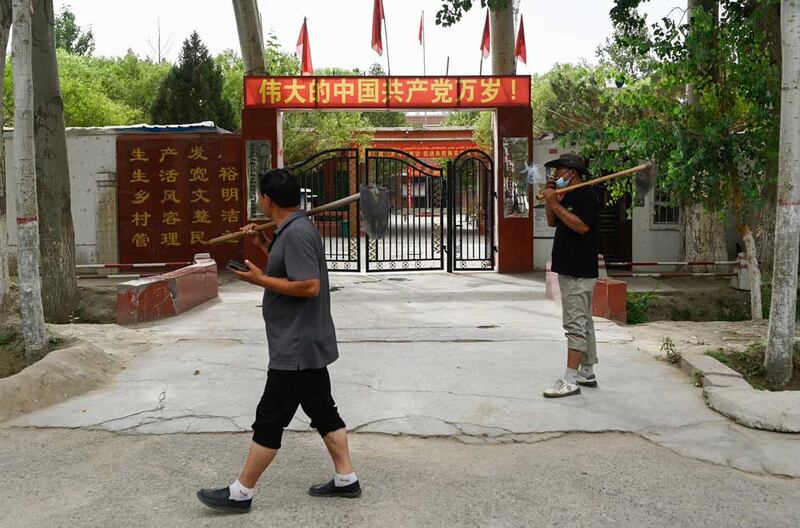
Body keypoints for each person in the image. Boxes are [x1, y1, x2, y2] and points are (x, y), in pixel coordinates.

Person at [196, 168, 361, 514]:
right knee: (323, 412)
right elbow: (290, 268)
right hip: (305, 341)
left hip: (296, 346)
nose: (259, 200)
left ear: (267, 199)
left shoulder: (297, 233)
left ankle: (241, 493)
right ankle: (347, 479)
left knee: (269, 419)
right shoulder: (292, 230)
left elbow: (308, 285)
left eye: (259, 196)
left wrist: (259, 280)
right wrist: (263, 244)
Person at [541, 153, 599, 399]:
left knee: (574, 325)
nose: (555, 176)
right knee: (584, 321)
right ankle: (587, 371)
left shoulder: (586, 195)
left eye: (558, 171)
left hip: (579, 269)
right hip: (568, 266)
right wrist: (550, 200)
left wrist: (555, 203)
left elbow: (582, 227)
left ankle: (569, 379)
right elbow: (553, 222)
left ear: (571, 173)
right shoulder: (567, 195)